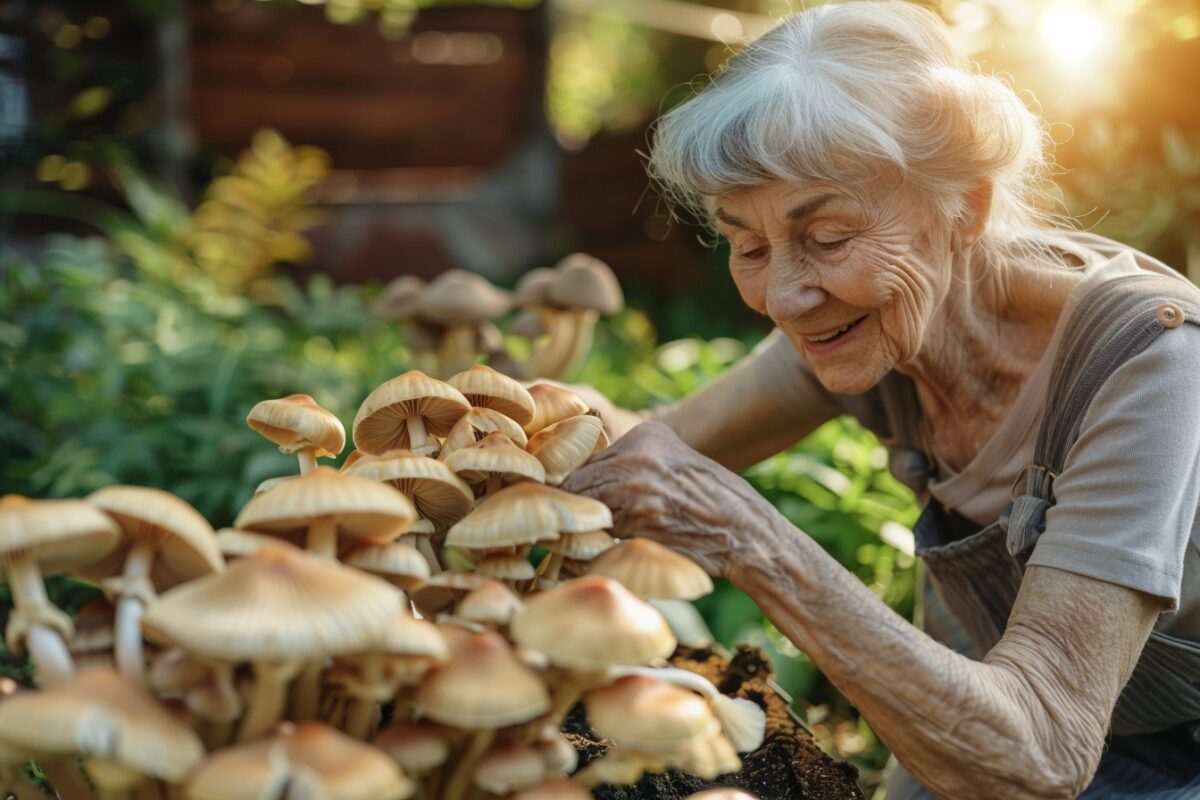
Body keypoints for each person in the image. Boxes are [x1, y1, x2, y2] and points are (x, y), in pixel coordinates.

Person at [560, 3, 1200, 798]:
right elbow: (660, 449)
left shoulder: (1151, 362)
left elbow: (1043, 750)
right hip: (970, 731)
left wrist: (753, 540)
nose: (786, 297)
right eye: (749, 246)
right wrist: (544, 421)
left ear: (963, 208)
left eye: (829, 238)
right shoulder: (875, 323)